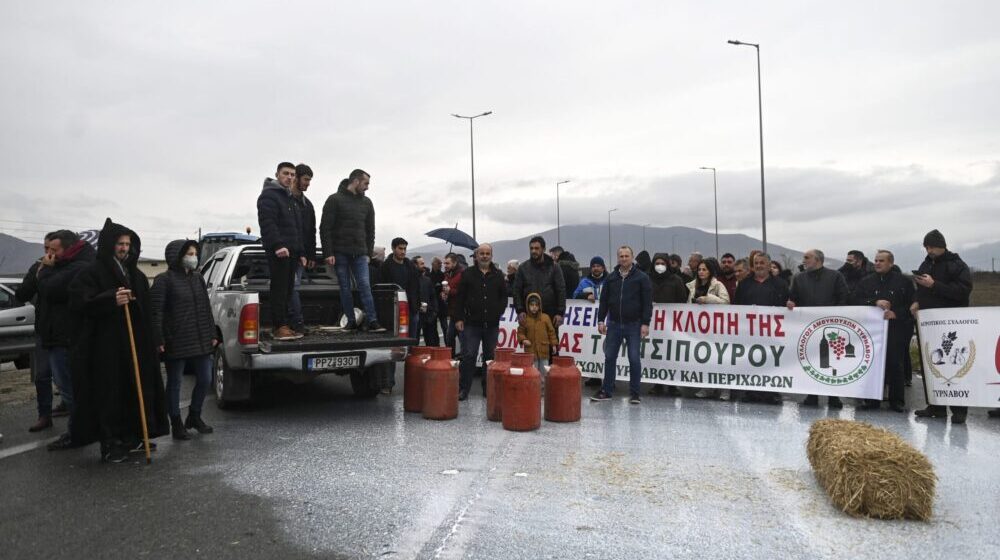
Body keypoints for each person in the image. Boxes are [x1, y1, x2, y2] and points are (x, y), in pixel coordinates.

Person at [68, 218, 169, 463]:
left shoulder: (136, 274)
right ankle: (110, 441)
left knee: (134, 388)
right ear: (109, 245)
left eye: (127, 244)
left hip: (136, 344)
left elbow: (147, 310)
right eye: (120, 244)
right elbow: (79, 303)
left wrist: (155, 338)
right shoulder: (91, 273)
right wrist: (109, 299)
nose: (124, 248)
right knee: (110, 392)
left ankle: (133, 435)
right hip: (106, 346)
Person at [32, 230, 97, 449]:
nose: (49, 254)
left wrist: (44, 271)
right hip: (57, 335)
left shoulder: (78, 266)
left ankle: (78, 432)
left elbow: (50, 290)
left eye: (54, 249)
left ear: (68, 248)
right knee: (67, 387)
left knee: (69, 388)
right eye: (48, 249)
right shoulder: (66, 264)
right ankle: (78, 430)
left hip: (65, 337)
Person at [150, 240, 218, 440]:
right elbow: (156, 312)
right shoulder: (164, 280)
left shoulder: (198, 279)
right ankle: (176, 423)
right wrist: (158, 339)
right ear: (177, 256)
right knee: (175, 383)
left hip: (201, 338)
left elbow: (206, 308)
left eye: (195, 253)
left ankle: (194, 416)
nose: (193, 257)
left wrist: (212, 334)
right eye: (189, 254)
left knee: (205, 379)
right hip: (176, 340)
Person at [912, 229, 974, 424]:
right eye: (926, 247)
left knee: (954, 364)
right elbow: (921, 288)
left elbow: (962, 292)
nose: (929, 250)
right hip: (929, 322)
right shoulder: (926, 264)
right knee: (931, 363)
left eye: (932, 247)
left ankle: (959, 410)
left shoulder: (957, 265)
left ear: (942, 246)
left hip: (952, 323)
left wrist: (934, 285)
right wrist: (917, 301)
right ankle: (935, 406)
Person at [319, 169, 384, 332]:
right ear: (355, 181)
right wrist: (328, 252)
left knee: (365, 285)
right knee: (345, 287)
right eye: (366, 183)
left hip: (360, 253)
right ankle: (350, 321)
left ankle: (373, 320)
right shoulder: (334, 200)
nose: (367, 187)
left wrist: (368, 253)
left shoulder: (367, 203)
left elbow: (370, 230)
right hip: (340, 252)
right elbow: (325, 228)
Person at [786, 249, 849, 409]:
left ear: (818, 259)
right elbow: (793, 298)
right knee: (810, 361)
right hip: (808, 327)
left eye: (807, 257)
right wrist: (791, 303)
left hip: (831, 326)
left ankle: (833, 396)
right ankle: (811, 394)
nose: (804, 260)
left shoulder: (835, 276)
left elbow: (843, 298)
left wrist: (834, 317)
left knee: (833, 361)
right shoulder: (799, 278)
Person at [852, 250, 914, 412]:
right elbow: (855, 300)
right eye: (876, 260)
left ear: (891, 263)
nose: (877, 263)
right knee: (871, 363)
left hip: (896, 329)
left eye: (881, 261)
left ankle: (897, 401)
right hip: (871, 331)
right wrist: (874, 301)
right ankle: (871, 399)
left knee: (895, 364)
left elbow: (912, 305)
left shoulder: (904, 282)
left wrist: (896, 313)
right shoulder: (866, 281)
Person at [591, 246, 652, 404]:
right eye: (621, 256)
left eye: (626, 256)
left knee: (634, 359)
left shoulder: (642, 278)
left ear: (632, 257)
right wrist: (600, 320)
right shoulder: (611, 278)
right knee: (610, 357)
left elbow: (647, 303)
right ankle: (607, 391)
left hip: (634, 325)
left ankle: (635, 394)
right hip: (614, 324)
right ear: (617, 258)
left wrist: (645, 323)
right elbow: (604, 301)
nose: (624, 258)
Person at [257, 162, 305, 341]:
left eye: (292, 174)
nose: (290, 177)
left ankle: (286, 324)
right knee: (279, 289)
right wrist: (277, 245)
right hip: (279, 251)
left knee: (288, 289)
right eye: (286, 173)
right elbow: (267, 222)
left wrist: (301, 252)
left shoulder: (290, 198)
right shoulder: (269, 195)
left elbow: (297, 228)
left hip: (292, 251)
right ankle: (279, 326)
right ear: (277, 174)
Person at [453, 244, 507, 400]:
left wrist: (498, 311)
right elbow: (460, 298)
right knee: (469, 355)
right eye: (481, 253)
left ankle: (488, 389)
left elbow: (503, 296)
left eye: (487, 253)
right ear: (476, 256)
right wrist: (458, 318)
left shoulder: (498, 275)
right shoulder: (468, 274)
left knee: (490, 358)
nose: (484, 256)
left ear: (491, 256)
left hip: (492, 324)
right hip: (471, 324)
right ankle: (463, 389)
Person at [734, 252, 789, 404]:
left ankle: (772, 392)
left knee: (771, 362)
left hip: (772, 333)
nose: (759, 266)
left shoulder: (781, 284)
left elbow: (787, 306)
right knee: (751, 360)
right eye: (756, 263)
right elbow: (736, 308)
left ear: (769, 265)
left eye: (762, 263)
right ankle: (750, 391)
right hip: (750, 333)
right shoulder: (744, 284)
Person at [648, 253, 689, 396]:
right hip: (654, 324)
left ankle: (672, 385)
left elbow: (682, 300)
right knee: (656, 354)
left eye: (663, 263)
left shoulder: (676, 280)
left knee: (671, 354)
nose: (660, 266)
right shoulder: (647, 279)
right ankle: (657, 384)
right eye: (657, 263)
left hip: (671, 324)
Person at [288, 163, 317, 335]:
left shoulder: (308, 205)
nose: (308, 184)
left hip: (302, 255)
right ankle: (295, 323)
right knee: (291, 288)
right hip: (287, 253)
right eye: (306, 179)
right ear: (296, 178)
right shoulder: (285, 200)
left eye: (309, 180)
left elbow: (311, 231)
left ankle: (296, 323)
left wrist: (311, 255)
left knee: (293, 288)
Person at [513, 236, 566, 331]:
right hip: (529, 316)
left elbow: (561, 290)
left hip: (550, 316)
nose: (533, 251)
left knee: (551, 340)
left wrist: (560, 312)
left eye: (537, 248)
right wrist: (520, 310)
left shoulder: (554, 267)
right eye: (531, 248)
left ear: (543, 249)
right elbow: (517, 291)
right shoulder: (522, 268)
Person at [517, 293, 558, 375]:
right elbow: (520, 332)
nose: (534, 307)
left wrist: (553, 344)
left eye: (536, 305)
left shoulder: (545, 317)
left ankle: (543, 384)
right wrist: (523, 340)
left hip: (544, 351)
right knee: (532, 372)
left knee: (544, 372)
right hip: (531, 351)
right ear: (527, 306)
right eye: (532, 305)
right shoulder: (525, 319)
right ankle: (533, 383)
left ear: (540, 306)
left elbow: (551, 332)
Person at [442, 253, 465, 356]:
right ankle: (451, 359)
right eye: (444, 263)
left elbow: (463, 292)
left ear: (455, 263)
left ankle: (464, 360)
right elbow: (446, 290)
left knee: (462, 338)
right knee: (449, 338)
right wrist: (443, 294)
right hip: (452, 312)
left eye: (447, 263)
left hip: (461, 313)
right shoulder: (447, 274)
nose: (445, 265)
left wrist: (450, 291)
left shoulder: (462, 274)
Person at [413, 256, 439, 346]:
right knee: (414, 343)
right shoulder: (410, 280)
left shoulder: (427, 280)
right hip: (416, 315)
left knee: (431, 342)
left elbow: (433, 296)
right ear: (415, 265)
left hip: (428, 316)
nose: (424, 266)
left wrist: (434, 312)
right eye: (421, 264)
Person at [430, 256, 448, 344]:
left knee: (445, 327)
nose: (441, 265)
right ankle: (436, 345)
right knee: (433, 328)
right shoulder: (429, 276)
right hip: (433, 305)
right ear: (433, 264)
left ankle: (448, 345)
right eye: (439, 263)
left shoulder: (443, 275)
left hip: (442, 305)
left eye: (441, 263)